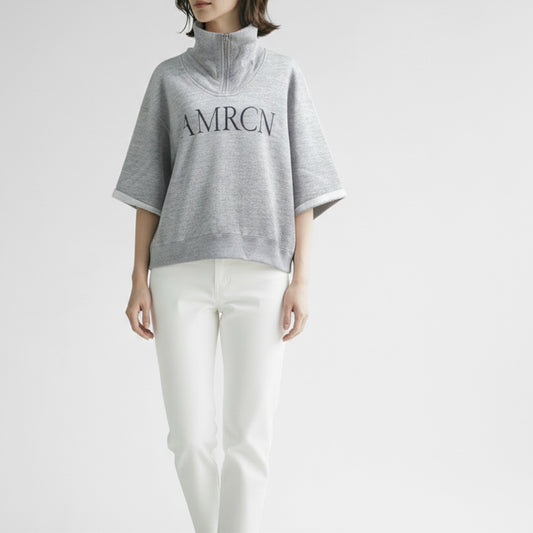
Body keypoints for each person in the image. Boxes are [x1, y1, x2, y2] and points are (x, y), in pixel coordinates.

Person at [111, 1, 347, 532]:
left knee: (249, 438)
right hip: (178, 274)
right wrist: (138, 279)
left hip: (262, 273)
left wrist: (301, 281)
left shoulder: (284, 75)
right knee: (189, 438)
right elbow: (148, 186)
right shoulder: (169, 79)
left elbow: (306, 185)